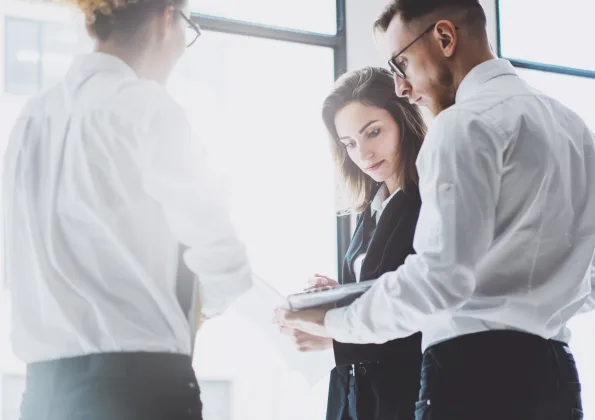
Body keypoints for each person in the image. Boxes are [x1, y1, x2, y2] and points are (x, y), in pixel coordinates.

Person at [275, 1, 595, 419]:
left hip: (471, 377)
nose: (403, 86)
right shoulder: (573, 127)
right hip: (556, 377)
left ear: (445, 38)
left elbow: (439, 281)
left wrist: (332, 323)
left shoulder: (461, 124)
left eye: (401, 63)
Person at [3, 1, 251, 419]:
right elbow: (222, 261)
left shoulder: (30, 118)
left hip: (43, 394)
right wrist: (208, 303)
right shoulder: (146, 106)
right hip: (137, 389)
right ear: (167, 19)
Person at [280, 67, 426, 420]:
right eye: (349, 144)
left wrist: (335, 340)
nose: (363, 154)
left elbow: (425, 315)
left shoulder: (428, 204)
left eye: (373, 132)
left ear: (403, 121)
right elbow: (378, 293)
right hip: (358, 400)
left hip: (404, 399)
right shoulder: (371, 210)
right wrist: (340, 296)